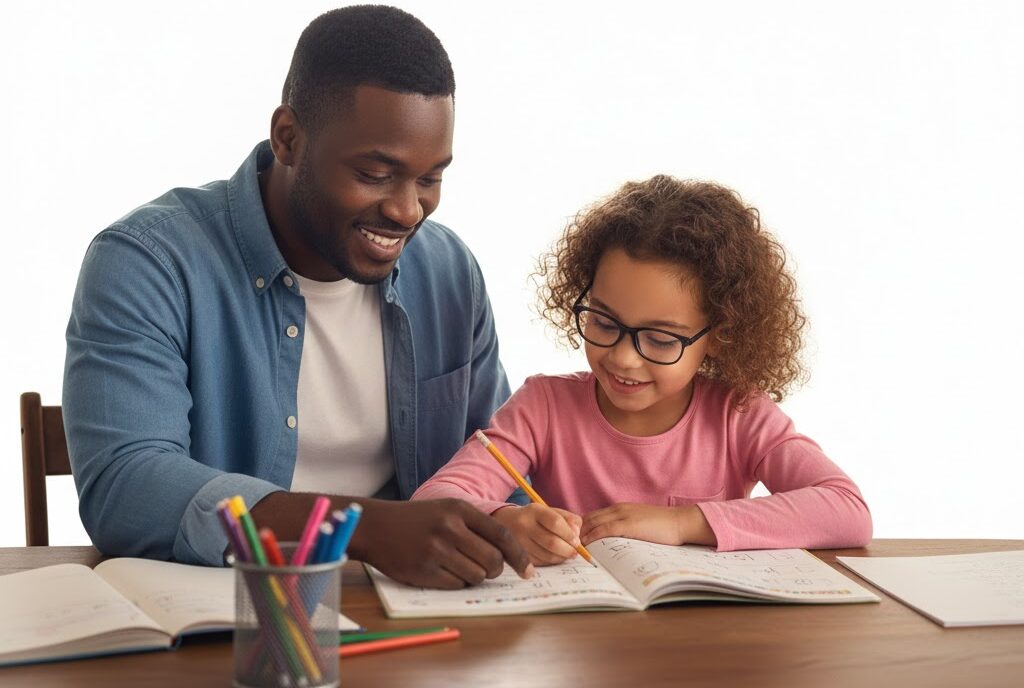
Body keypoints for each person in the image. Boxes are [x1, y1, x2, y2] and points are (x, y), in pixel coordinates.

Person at [63, 6, 531, 589]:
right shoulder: (149, 261)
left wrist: (516, 517)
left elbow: (500, 463)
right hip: (238, 628)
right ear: (288, 137)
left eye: (430, 178)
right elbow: (126, 487)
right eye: (375, 172)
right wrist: (360, 528)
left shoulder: (449, 271)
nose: (408, 210)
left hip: (418, 619)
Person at [412, 176, 872, 564]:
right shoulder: (543, 406)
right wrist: (507, 520)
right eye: (604, 321)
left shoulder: (740, 414)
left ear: (719, 334)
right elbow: (432, 502)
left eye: (661, 338)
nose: (624, 358)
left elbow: (848, 511)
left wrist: (684, 522)